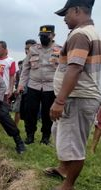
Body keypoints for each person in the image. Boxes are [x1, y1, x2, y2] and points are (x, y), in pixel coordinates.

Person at [44, 1, 101, 189]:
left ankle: (68, 184)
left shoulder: (80, 35)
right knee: (62, 134)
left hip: (77, 97)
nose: (65, 19)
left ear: (77, 10)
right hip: (77, 96)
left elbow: (75, 68)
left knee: (73, 143)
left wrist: (60, 100)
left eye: (66, 14)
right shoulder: (90, 32)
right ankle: (63, 169)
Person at [18, 25, 61, 145]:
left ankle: (45, 137)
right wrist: (21, 84)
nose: (43, 38)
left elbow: (63, 70)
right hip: (33, 85)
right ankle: (30, 135)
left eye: (46, 36)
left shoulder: (59, 50)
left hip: (50, 86)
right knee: (30, 112)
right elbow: (26, 68)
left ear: (53, 35)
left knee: (48, 113)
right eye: (41, 36)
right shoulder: (33, 49)